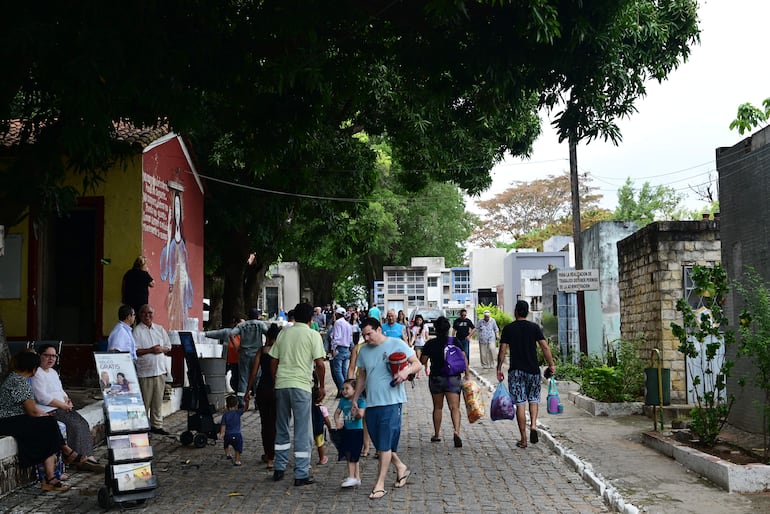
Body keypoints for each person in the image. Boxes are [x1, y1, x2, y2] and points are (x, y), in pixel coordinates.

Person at [351, 317, 422, 500]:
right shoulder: (364, 351)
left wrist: (406, 371)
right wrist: (355, 398)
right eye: (364, 335)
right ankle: (400, 467)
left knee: (383, 444)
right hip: (371, 402)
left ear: (379, 329)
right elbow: (362, 376)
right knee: (381, 444)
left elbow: (417, 364)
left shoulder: (396, 343)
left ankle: (379, 484)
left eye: (370, 334)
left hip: (391, 402)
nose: (366, 338)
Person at [0, 351, 92, 491]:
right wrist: (45, 417)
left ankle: (51, 477)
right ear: (33, 368)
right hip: (8, 421)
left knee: (48, 428)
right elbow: (32, 411)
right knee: (49, 425)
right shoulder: (20, 382)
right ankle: (66, 455)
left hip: (12, 420)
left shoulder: (14, 378)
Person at [269, 302, 326, 486]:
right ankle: (301, 473)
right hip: (301, 386)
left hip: (282, 385)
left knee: (282, 426)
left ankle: (279, 467)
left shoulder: (284, 333)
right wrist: (322, 386)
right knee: (303, 430)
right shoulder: (313, 335)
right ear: (311, 319)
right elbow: (320, 364)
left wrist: (276, 379)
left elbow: (273, 361)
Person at [31, 344, 103, 472]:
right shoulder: (37, 373)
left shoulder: (53, 372)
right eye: (47, 355)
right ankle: (79, 460)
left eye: (53, 356)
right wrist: (62, 405)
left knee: (83, 423)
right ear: (39, 356)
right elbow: (42, 397)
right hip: (49, 409)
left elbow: (60, 390)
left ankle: (87, 456)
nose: (51, 359)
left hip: (62, 407)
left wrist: (67, 399)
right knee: (74, 425)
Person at [496, 300, 555, 449]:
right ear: (527, 312)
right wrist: (551, 364)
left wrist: (499, 368)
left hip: (516, 372)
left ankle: (523, 439)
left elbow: (502, 350)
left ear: (516, 311)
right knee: (534, 400)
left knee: (520, 404)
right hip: (533, 371)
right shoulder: (534, 327)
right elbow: (545, 347)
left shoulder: (509, 329)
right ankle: (533, 425)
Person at [419, 316, 470, 448]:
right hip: (453, 378)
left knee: (438, 407)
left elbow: (423, 361)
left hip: (436, 378)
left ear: (435, 329)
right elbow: (464, 358)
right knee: (455, 407)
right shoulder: (455, 341)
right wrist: (467, 375)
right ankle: (457, 431)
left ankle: (437, 434)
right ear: (448, 329)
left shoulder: (430, 344)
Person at [245, 323, 281, 469]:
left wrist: (247, 390)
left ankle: (269, 454)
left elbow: (253, 372)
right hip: (277, 388)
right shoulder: (281, 351)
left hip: (263, 389)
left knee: (265, 424)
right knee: (277, 423)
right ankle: (277, 454)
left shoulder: (262, 351)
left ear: (267, 336)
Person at [133, 304, 172, 435]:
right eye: (144, 313)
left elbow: (168, 346)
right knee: (145, 401)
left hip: (159, 370)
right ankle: (143, 426)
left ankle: (157, 425)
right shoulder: (137, 331)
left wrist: (161, 349)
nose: (147, 315)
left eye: (149, 313)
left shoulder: (159, 329)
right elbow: (134, 351)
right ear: (140, 315)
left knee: (157, 400)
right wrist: (151, 350)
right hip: (145, 371)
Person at [159, 190, 194, 330]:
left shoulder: (183, 244)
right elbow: (165, 268)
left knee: (183, 314)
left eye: (179, 208)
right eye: (176, 208)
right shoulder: (171, 244)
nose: (177, 212)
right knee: (174, 312)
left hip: (183, 281)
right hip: (176, 283)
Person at [230, 308, 268, 406]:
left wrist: (236, 346)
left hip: (244, 354)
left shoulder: (242, 325)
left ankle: (241, 401)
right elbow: (268, 333)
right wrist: (266, 346)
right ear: (257, 316)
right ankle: (257, 401)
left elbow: (231, 334)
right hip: (257, 354)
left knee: (243, 378)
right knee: (257, 378)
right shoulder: (260, 324)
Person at [334, 378, 366, 488]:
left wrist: (356, 412)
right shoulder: (343, 401)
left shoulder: (361, 401)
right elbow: (336, 414)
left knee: (354, 454)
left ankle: (352, 477)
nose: (344, 391)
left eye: (347, 388)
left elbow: (360, 416)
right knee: (348, 453)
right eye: (343, 388)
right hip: (347, 431)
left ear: (355, 390)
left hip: (357, 431)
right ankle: (356, 477)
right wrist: (338, 422)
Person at [218, 395, 249, 466]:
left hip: (228, 435)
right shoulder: (238, 412)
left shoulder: (225, 415)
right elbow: (245, 408)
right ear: (236, 406)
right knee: (238, 448)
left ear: (227, 406)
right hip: (237, 435)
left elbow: (223, 425)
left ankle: (227, 453)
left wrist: (222, 433)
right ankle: (237, 461)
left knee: (226, 444)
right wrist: (247, 402)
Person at [121, 256, 155, 320]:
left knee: (129, 318)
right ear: (142, 265)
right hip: (141, 302)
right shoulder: (144, 274)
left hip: (129, 300)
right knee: (140, 320)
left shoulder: (129, 273)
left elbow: (123, 285)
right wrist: (147, 272)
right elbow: (152, 284)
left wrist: (123, 296)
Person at [330, 307, 353, 397]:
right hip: (346, 348)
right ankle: (348, 388)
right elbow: (350, 338)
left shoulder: (338, 323)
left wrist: (333, 348)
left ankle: (343, 389)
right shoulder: (347, 324)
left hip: (339, 348)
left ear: (337, 314)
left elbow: (336, 337)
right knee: (344, 370)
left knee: (337, 371)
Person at [312, 387, 332, 465]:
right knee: (320, 444)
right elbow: (326, 420)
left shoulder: (308, 407)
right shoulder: (322, 408)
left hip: (309, 429)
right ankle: (322, 458)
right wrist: (330, 427)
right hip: (318, 430)